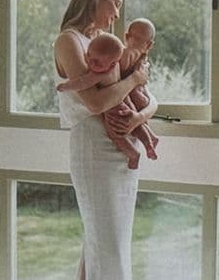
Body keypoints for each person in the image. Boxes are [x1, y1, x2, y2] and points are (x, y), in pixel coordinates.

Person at [53, 0, 158, 280]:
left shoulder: (108, 43)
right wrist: (134, 80)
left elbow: (148, 100)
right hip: (94, 150)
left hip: (119, 150)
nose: (117, 13)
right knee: (106, 247)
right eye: (113, 4)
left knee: (98, 246)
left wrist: (139, 115)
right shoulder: (70, 41)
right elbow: (96, 101)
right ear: (95, 1)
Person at [55, 19, 159, 169]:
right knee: (135, 123)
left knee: (115, 133)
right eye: (89, 57)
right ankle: (150, 140)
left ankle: (133, 154)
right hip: (122, 105)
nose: (91, 63)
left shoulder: (110, 59)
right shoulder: (109, 52)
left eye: (97, 61)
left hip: (115, 107)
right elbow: (96, 99)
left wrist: (66, 86)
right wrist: (135, 80)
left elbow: (83, 82)